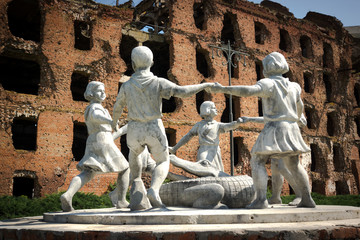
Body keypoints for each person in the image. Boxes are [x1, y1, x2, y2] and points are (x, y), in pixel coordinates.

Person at [112, 46, 215, 209]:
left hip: (134, 127)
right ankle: (153, 189)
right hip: (153, 126)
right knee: (163, 160)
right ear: (152, 63)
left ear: (132, 63)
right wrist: (202, 86)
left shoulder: (126, 86)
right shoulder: (158, 82)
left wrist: (114, 122)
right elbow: (182, 92)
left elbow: (117, 106)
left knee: (134, 153)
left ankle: (137, 184)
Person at [211, 52, 316, 209]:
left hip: (275, 127)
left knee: (258, 159)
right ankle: (307, 198)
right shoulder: (294, 86)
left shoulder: (269, 84)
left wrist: (225, 89)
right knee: (294, 164)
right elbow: (299, 105)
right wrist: (298, 116)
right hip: (292, 128)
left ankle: (261, 200)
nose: (264, 68)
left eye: (265, 64)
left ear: (271, 65)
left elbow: (248, 92)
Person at [60, 81, 130, 212]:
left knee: (88, 172)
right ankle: (121, 200)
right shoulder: (94, 107)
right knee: (125, 168)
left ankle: (68, 195)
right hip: (102, 140)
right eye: (99, 90)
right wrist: (110, 121)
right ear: (91, 93)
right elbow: (96, 117)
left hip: (94, 140)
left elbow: (106, 127)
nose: (103, 93)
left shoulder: (97, 107)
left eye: (104, 90)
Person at [169, 101, 243, 176]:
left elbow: (229, 126)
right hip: (203, 149)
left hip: (214, 151)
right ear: (207, 110)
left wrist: (237, 123)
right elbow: (187, 136)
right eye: (214, 108)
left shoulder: (217, 125)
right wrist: (175, 148)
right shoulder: (199, 125)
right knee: (202, 168)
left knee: (217, 173)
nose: (216, 109)